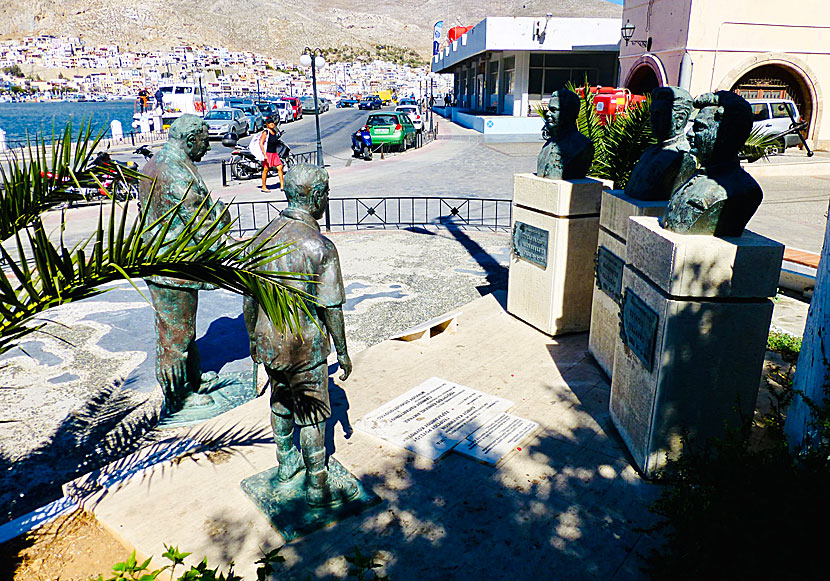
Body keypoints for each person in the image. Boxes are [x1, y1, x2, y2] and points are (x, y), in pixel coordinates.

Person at [243, 164, 358, 508]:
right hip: (305, 349)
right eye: (325, 192)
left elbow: (249, 300)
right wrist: (343, 351)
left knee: (279, 399)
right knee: (312, 413)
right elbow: (332, 308)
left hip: (269, 345)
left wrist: (253, 337)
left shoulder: (261, 237)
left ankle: (285, 462)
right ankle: (316, 483)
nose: (327, 198)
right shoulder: (319, 246)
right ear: (314, 197)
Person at [138, 114, 229, 413]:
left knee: (182, 329)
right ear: (191, 141)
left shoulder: (155, 162)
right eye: (204, 142)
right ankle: (178, 397)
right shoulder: (175, 170)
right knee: (176, 335)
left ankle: (192, 379)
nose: (207, 149)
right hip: (171, 265)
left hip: (167, 260)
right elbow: (198, 220)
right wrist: (222, 232)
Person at [662, 91, 762, 236]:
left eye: (700, 128)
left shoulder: (744, 190)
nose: (690, 133)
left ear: (726, 135)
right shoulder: (696, 175)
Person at [625, 86, 697, 201]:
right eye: (652, 113)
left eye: (659, 114)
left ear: (680, 119)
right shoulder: (649, 152)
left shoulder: (682, 157)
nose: (652, 120)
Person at [536, 88, 594, 180]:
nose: (547, 114)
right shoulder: (548, 144)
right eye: (548, 109)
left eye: (554, 110)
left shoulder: (582, 145)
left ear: (569, 113)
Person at [259, 116, 284, 192]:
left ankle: (282, 185)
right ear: (267, 124)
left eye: (272, 122)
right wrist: (264, 154)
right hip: (268, 153)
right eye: (269, 123)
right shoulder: (265, 132)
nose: (271, 124)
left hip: (274, 153)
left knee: (280, 167)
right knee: (266, 169)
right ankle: (264, 186)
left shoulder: (274, 131)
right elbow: (261, 143)